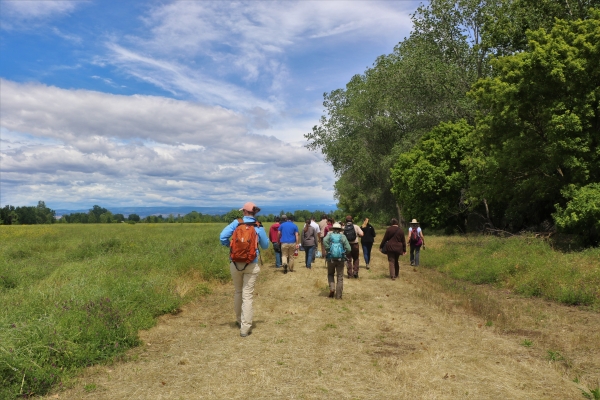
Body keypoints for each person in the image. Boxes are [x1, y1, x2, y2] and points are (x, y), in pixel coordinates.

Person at [219, 202, 269, 337]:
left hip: (235, 263)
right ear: (254, 213)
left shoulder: (236, 223)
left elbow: (222, 237)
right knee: (247, 295)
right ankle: (245, 328)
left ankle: (238, 320)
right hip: (251, 264)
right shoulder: (258, 226)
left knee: (238, 291)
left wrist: (230, 247)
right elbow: (265, 245)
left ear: (245, 212)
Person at [323, 222, 351, 299]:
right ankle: (338, 296)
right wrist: (344, 252)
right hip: (340, 259)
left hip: (330, 258)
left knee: (330, 274)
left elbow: (324, 241)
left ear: (333, 229)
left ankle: (332, 288)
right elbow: (349, 248)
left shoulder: (329, 235)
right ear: (340, 229)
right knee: (340, 276)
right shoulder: (343, 237)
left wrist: (329, 250)